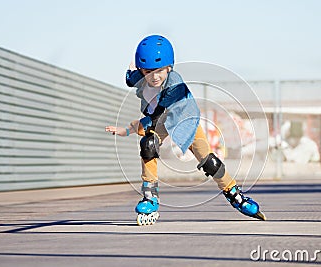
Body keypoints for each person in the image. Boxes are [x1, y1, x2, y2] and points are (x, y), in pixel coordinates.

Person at [105, 35, 266, 225]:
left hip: (185, 120)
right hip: (162, 121)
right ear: (142, 70)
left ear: (169, 67)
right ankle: (150, 196)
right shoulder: (141, 76)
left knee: (209, 162)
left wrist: (131, 128)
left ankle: (235, 195)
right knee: (148, 145)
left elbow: (156, 116)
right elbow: (131, 80)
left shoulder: (175, 83)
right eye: (148, 72)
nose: (154, 77)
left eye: (159, 71)